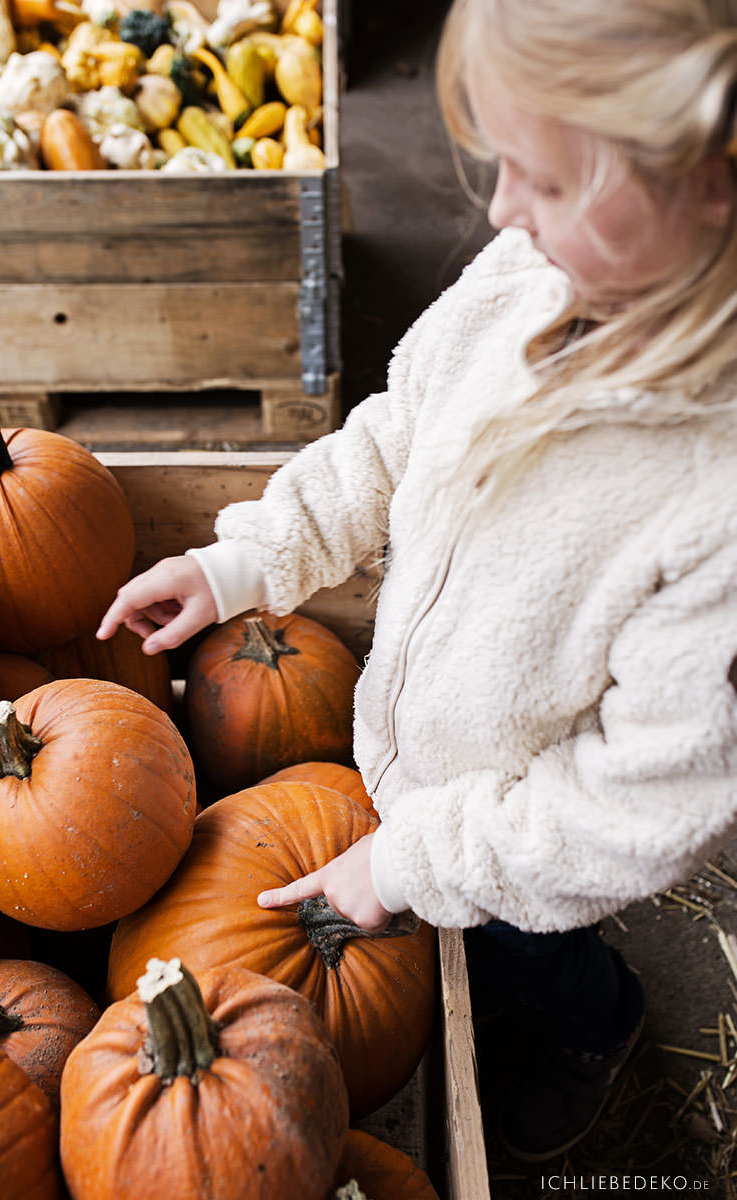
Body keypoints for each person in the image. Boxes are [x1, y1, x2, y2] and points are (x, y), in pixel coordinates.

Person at [96, 0, 737, 1163]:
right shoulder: (525, 277)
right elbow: (393, 433)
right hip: (415, 760)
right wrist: (248, 558)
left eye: (542, 181)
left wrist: (410, 864)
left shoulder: (711, 503)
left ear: (712, 184)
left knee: (526, 964)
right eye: (498, 165)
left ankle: (597, 1037)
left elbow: (639, 811)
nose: (497, 212)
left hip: (518, 838)